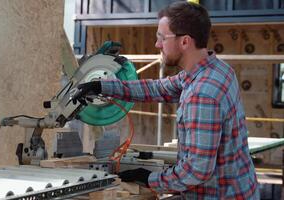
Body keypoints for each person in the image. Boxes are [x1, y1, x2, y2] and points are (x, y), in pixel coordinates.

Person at [72, 1, 259, 199]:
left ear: (185, 42)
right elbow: (158, 88)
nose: (157, 44)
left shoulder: (202, 94)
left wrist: (149, 178)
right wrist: (103, 86)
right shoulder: (215, 70)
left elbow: (196, 172)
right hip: (239, 188)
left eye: (162, 37)